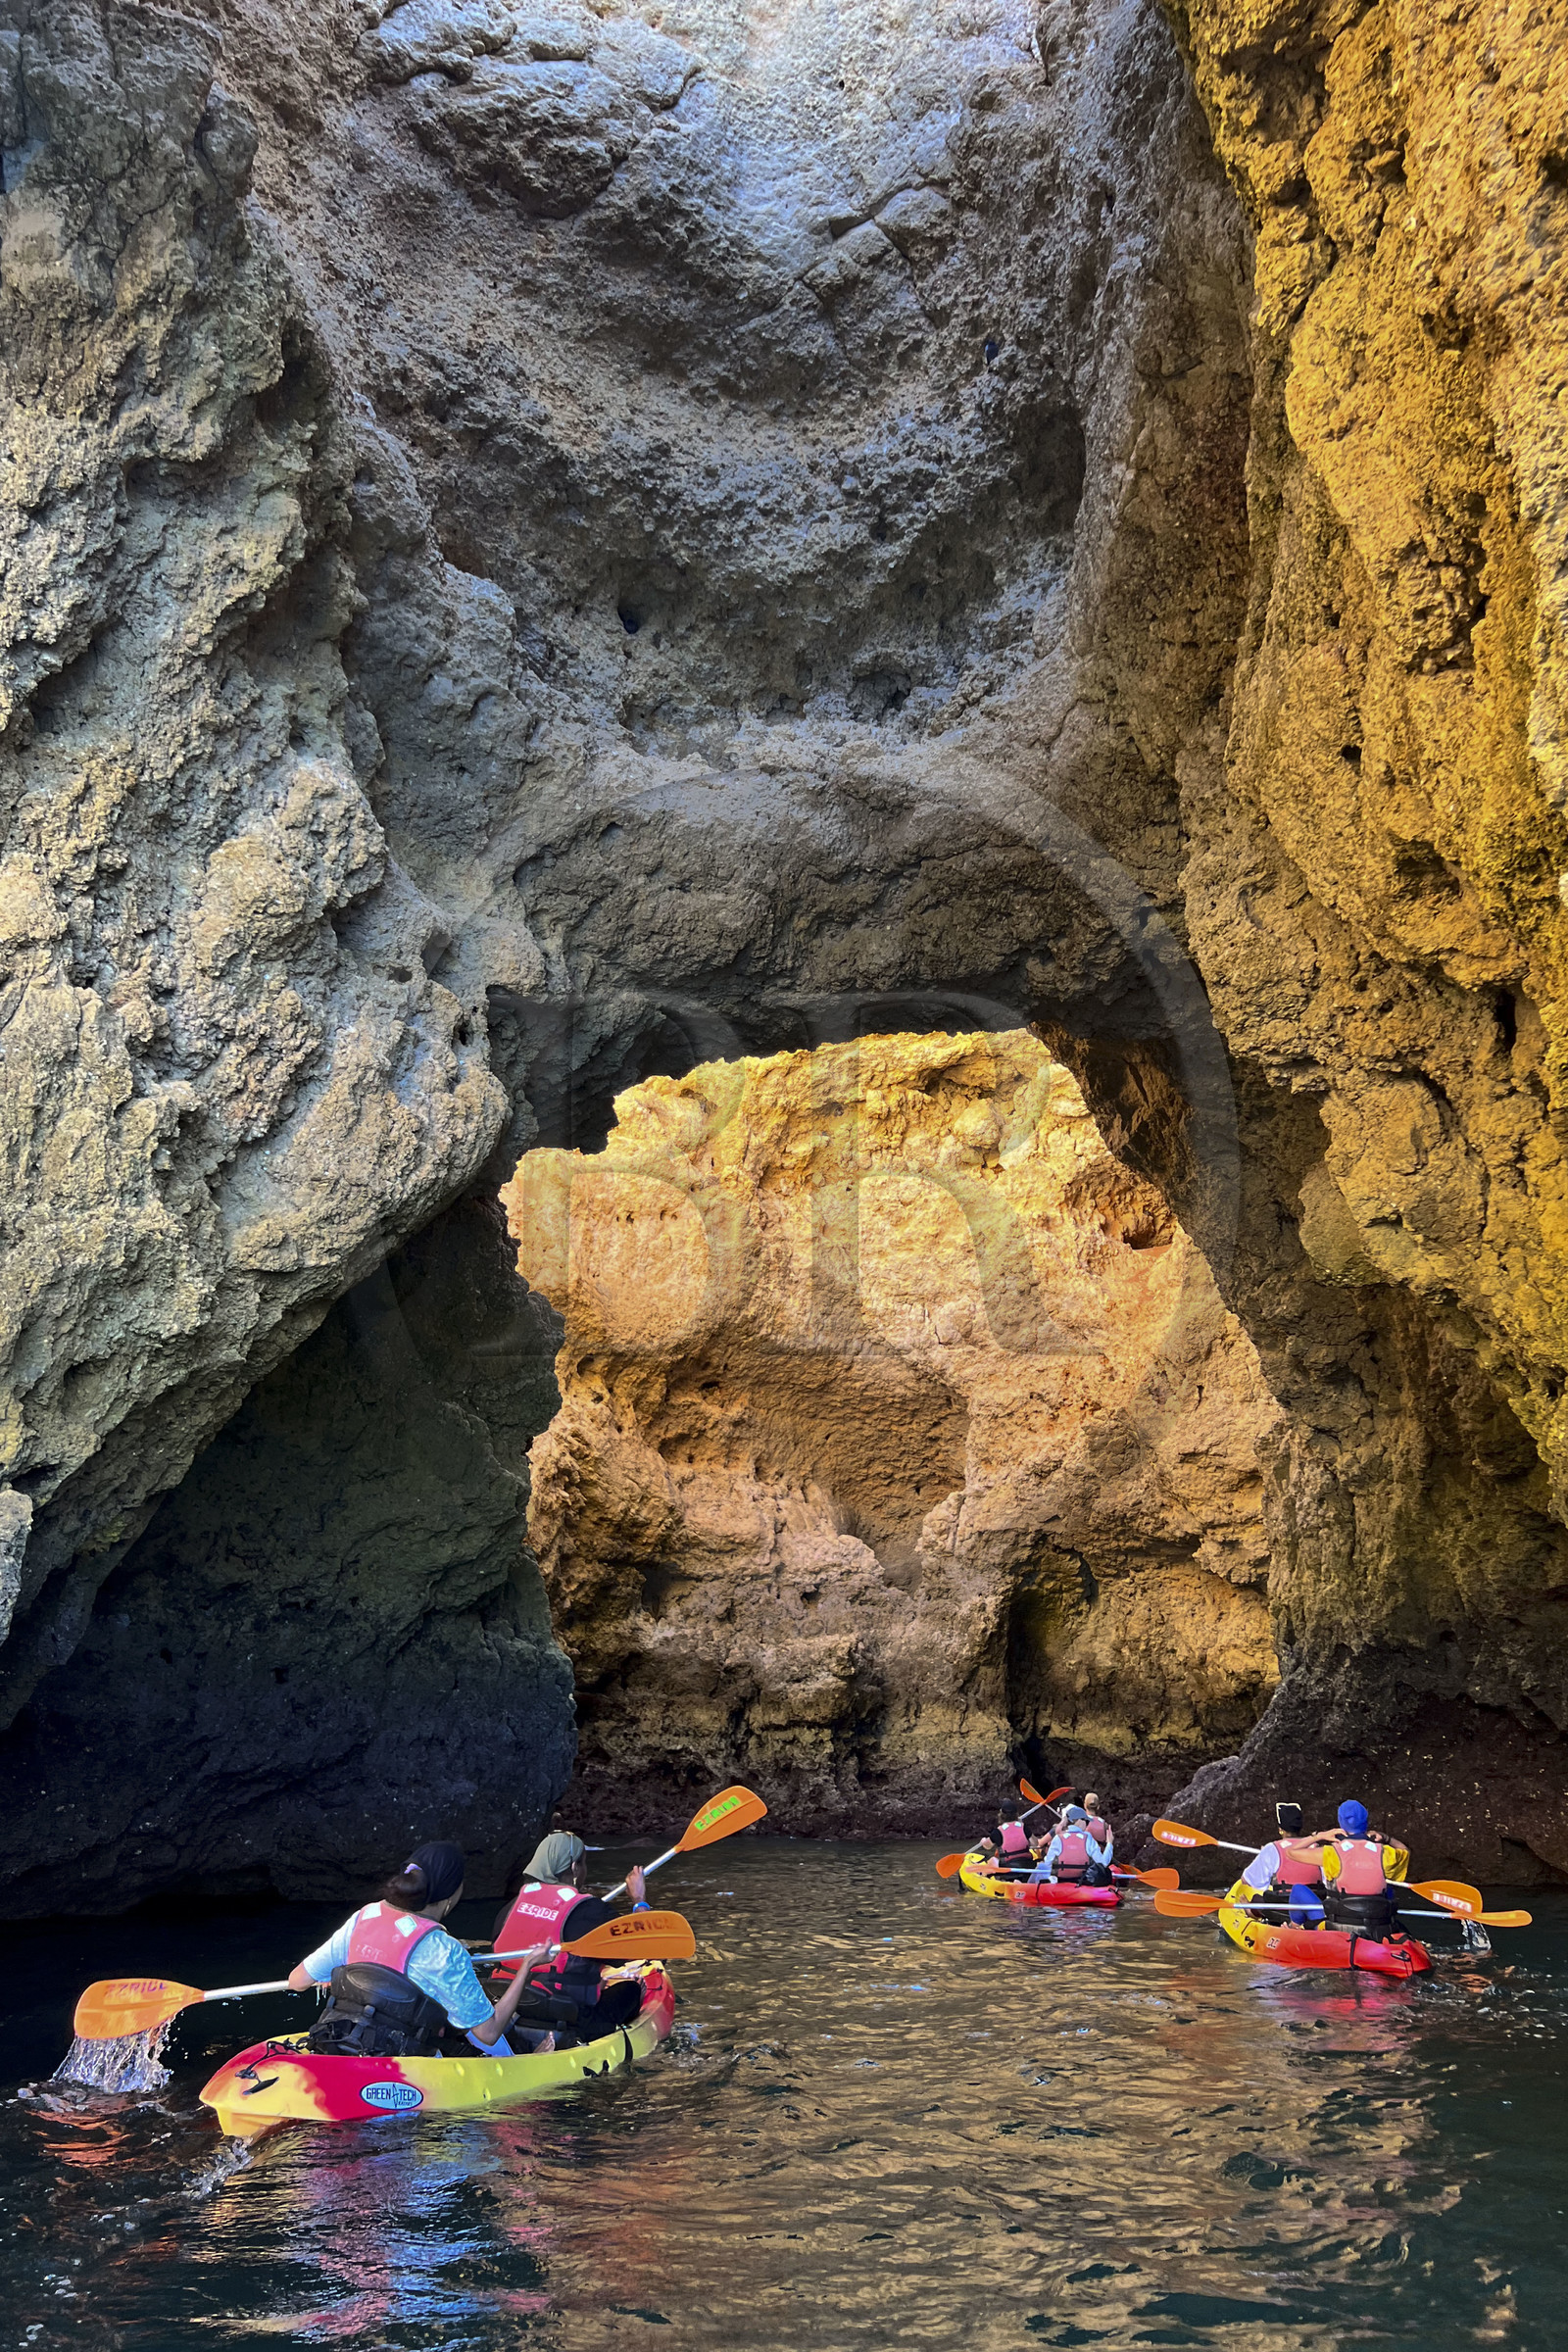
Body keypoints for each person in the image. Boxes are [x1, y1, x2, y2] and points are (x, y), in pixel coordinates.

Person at [289, 1840, 537, 2058]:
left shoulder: (363, 1917)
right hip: (405, 2060)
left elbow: (297, 1981)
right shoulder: (444, 1949)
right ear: (451, 1896)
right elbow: (488, 2033)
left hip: (348, 2040)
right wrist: (526, 1967)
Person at [490, 1836, 653, 2048]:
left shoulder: (511, 1907)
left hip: (511, 2010)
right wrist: (639, 1901)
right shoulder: (589, 1911)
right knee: (630, 1990)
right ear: (575, 1867)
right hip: (569, 2019)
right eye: (583, 1862)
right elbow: (646, 1948)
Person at [1318, 1798, 1404, 1936]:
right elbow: (1405, 1851)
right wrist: (1385, 1838)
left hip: (1341, 1924)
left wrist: (1319, 1836)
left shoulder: (1332, 1852)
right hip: (1379, 1925)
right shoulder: (1384, 1852)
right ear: (1366, 1821)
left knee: (1300, 1891)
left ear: (1340, 1822)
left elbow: (1292, 1853)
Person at [1031, 1805, 1111, 1886]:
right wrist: (1109, 1843)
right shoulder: (1088, 1838)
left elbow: (1048, 1864)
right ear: (1079, 1821)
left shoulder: (1058, 1838)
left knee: (1041, 1866)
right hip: (1082, 1882)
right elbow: (1103, 1863)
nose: (1087, 1825)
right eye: (1086, 1821)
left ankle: (1029, 1889)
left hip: (1060, 1882)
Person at [977, 1804, 1035, 1871]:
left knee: (992, 1860)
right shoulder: (1024, 1827)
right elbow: (1035, 1843)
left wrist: (983, 1841)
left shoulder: (998, 1832)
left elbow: (988, 1846)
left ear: (1001, 1816)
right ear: (1016, 1815)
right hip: (1028, 1864)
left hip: (1008, 1867)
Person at [1081, 1793, 1113, 1863]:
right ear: (1098, 1807)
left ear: (1084, 1806)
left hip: (1083, 1861)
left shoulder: (1079, 1823)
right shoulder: (1105, 1825)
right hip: (1098, 1862)